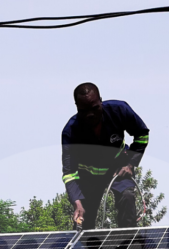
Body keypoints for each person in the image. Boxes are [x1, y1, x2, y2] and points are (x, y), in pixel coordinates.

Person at [61, 82, 149, 229]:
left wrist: (130, 164)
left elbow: (142, 135)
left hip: (118, 168)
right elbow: (69, 173)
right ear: (77, 107)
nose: (90, 114)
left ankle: (129, 241)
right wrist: (77, 202)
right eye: (84, 111)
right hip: (87, 177)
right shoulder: (70, 132)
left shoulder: (119, 110)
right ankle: (88, 243)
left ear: (101, 101)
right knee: (83, 220)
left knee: (127, 197)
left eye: (95, 108)